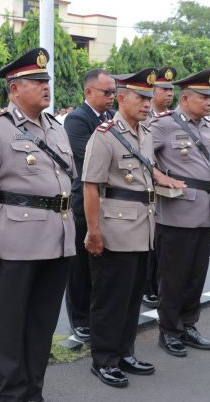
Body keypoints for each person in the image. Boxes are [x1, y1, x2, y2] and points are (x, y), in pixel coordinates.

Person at [0, 47, 76, 402]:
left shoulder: (56, 128)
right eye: (37, 81)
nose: (46, 87)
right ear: (14, 89)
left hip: (56, 241)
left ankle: (34, 393)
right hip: (13, 242)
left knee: (41, 326)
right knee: (8, 330)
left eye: (47, 80)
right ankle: (13, 395)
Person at [82, 68, 184, 388]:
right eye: (140, 97)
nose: (146, 103)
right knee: (111, 300)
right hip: (115, 229)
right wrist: (94, 231)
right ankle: (104, 359)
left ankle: (125, 352)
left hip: (143, 228)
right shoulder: (105, 134)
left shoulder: (145, 133)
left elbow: (147, 174)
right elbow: (90, 187)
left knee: (131, 300)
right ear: (122, 99)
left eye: (148, 97)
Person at [148, 69, 210, 357]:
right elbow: (142, 157)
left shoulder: (208, 127)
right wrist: (160, 177)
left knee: (196, 274)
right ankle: (168, 330)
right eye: (203, 97)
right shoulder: (164, 125)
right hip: (177, 211)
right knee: (173, 276)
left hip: (204, 209)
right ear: (186, 98)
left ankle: (188, 324)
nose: (208, 102)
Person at [63, 68, 116, 342]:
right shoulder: (77, 119)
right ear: (89, 92)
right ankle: (80, 320)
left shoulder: (109, 118)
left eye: (114, 93)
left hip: (107, 201)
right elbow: (92, 158)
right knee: (80, 268)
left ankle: (95, 316)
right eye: (107, 92)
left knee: (100, 266)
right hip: (83, 201)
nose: (112, 97)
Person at [142, 66, 177, 308]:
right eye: (164, 89)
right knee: (148, 242)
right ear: (152, 92)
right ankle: (148, 288)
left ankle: (158, 285)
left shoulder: (175, 120)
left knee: (163, 243)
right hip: (146, 189)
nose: (169, 94)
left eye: (171, 90)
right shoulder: (142, 117)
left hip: (168, 193)